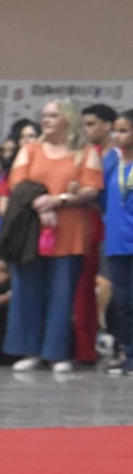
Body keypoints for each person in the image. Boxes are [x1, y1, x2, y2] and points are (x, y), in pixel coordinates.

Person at [4, 97, 103, 373]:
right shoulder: (30, 149)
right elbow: (17, 183)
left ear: (67, 119)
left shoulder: (85, 152)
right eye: (44, 115)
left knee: (62, 294)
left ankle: (57, 353)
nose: (45, 120)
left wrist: (59, 200)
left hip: (70, 233)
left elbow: (91, 188)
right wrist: (40, 202)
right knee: (28, 291)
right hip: (31, 232)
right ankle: (30, 351)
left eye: (53, 116)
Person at [102, 109, 133, 375]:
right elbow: (99, 196)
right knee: (122, 302)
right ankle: (129, 353)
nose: (117, 136)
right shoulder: (113, 163)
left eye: (124, 131)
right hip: (117, 244)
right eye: (116, 131)